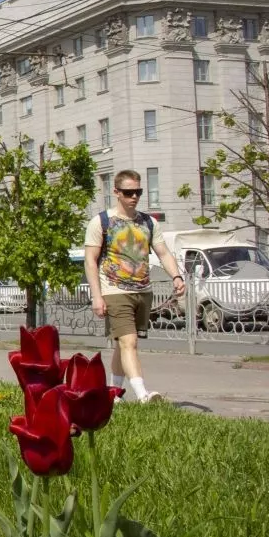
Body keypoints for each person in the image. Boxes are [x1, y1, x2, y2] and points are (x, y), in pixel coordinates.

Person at [84, 169, 185, 403]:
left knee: (123, 343)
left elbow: (163, 252)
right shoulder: (101, 222)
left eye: (138, 192)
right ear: (116, 192)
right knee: (129, 341)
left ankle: (113, 393)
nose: (134, 197)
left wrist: (176, 277)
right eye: (129, 192)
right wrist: (97, 296)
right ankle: (143, 396)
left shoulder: (148, 222)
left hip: (142, 290)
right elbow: (90, 261)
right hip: (114, 290)